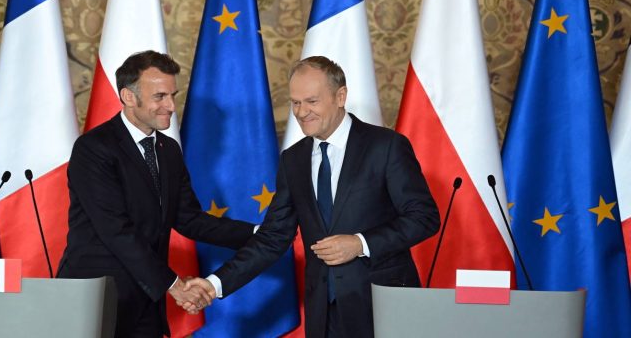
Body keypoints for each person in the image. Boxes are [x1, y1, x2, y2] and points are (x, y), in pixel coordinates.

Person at [186, 56, 440, 337]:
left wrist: (360, 243)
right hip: (324, 312)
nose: (301, 112)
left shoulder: (386, 146)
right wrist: (214, 284)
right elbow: (273, 237)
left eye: (312, 101)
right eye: (295, 103)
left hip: (383, 305)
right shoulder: (293, 159)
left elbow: (424, 218)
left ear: (340, 96)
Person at [57, 50, 255, 338]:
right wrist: (174, 286)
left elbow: (189, 219)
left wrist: (262, 233)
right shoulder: (94, 148)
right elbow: (116, 230)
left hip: (147, 300)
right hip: (96, 300)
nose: (171, 106)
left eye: (173, 95)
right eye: (159, 97)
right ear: (128, 96)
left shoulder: (168, 150)